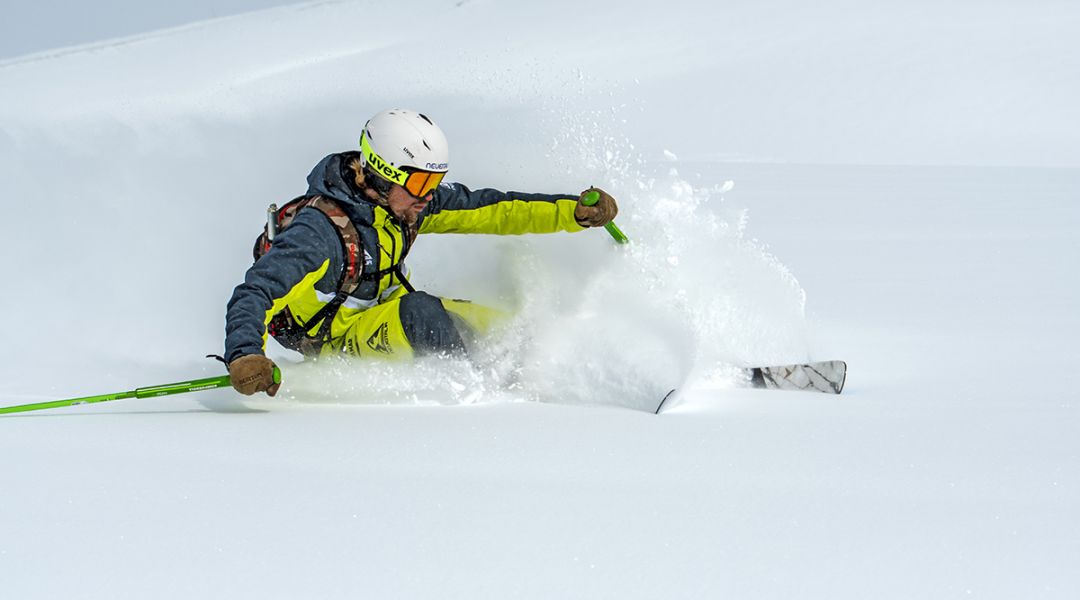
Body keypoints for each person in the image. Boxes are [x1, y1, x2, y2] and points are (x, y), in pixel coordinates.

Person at [224, 108, 619, 396]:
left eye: (435, 181)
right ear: (382, 176)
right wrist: (245, 356)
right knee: (422, 315)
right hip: (334, 337)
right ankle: (497, 397)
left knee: (508, 328)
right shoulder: (318, 233)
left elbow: (492, 209)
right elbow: (256, 292)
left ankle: (575, 380)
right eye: (419, 183)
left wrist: (572, 212)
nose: (428, 196)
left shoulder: (405, 205)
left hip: (386, 311)